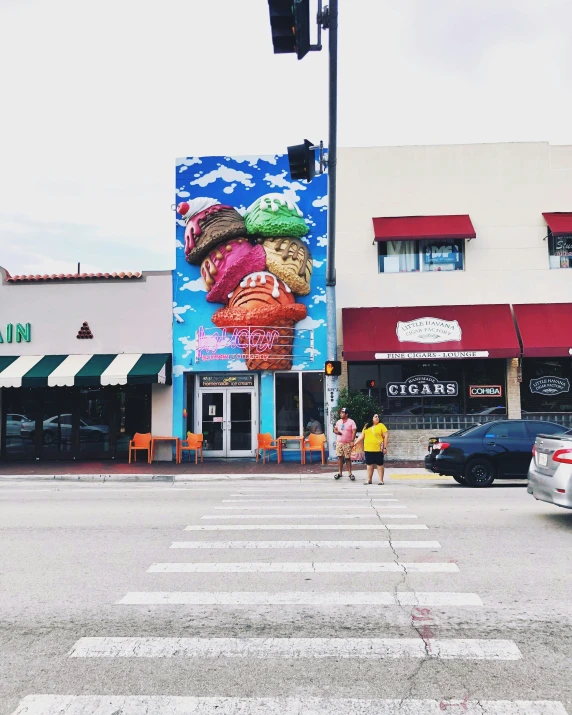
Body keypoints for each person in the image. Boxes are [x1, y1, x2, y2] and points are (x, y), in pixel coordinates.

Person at [353, 413, 389, 485]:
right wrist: (355, 443)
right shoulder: (366, 426)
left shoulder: (381, 426)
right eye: (375, 417)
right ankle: (369, 480)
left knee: (380, 464)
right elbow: (362, 436)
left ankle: (381, 480)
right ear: (371, 418)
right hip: (368, 449)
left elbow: (386, 436)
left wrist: (385, 447)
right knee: (369, 464)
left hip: (378, 449)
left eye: (378, 417)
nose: (377, 418)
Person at [333, 407, 357, 481]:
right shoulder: (339, 422)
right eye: (340, 413)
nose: (341, 414)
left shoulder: (351, 422)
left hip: (347, 443)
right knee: (340, 457)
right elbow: (335, 429)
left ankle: (350, 473)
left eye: (342, 413)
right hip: (339, 442)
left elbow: (354, 431)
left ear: (346, 414)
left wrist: (352, 441)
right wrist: (336, 432)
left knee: (347, 458)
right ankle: (340, 473)